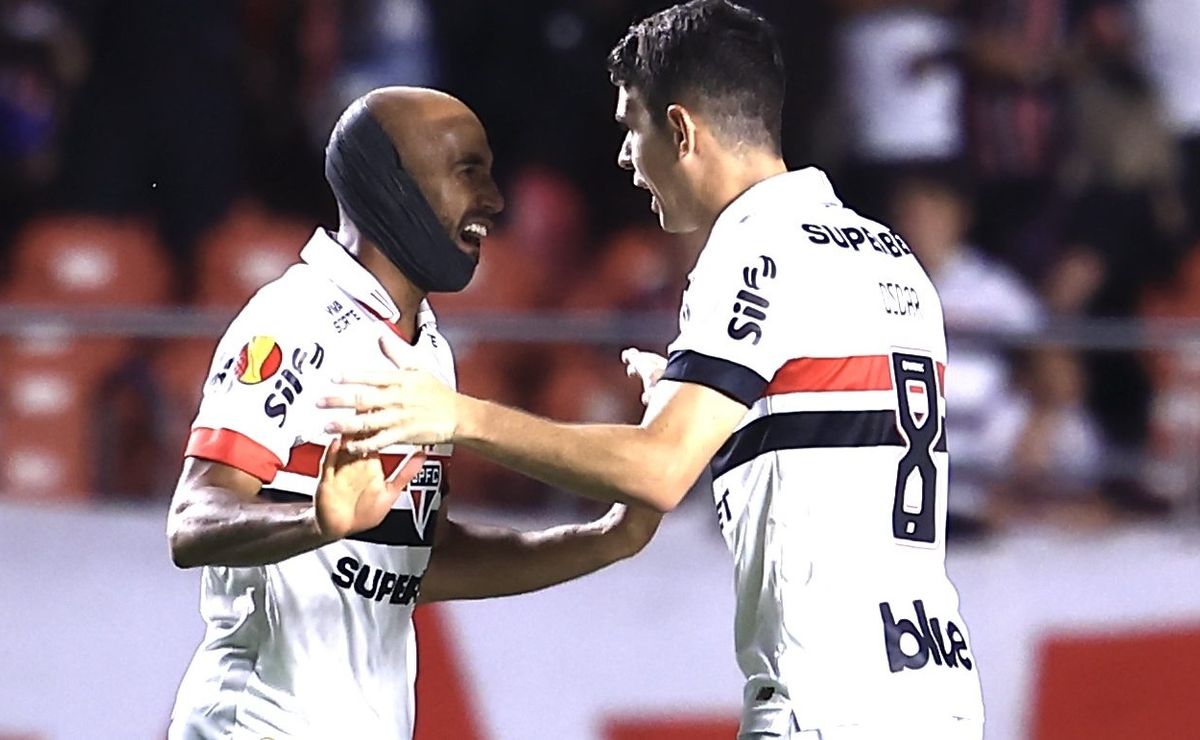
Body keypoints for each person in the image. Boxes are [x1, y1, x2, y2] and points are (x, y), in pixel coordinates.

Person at [323, 3, 986, 738]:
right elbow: (827, 430)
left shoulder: (753, 249)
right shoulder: (888, 255)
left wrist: (460, 415)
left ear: (680, 130)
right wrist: (701, 401)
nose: (624, 158)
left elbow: (658, 470)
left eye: (630, 128)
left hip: (831, 697)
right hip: (937, 690)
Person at [164, 87, 661, 740]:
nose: (493, 198)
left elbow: (417, 564)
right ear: (388, 184)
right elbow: (193, 518)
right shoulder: (294, 321)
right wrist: (318, 520)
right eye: (466, 170)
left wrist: (607, 538)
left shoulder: (426, 348)